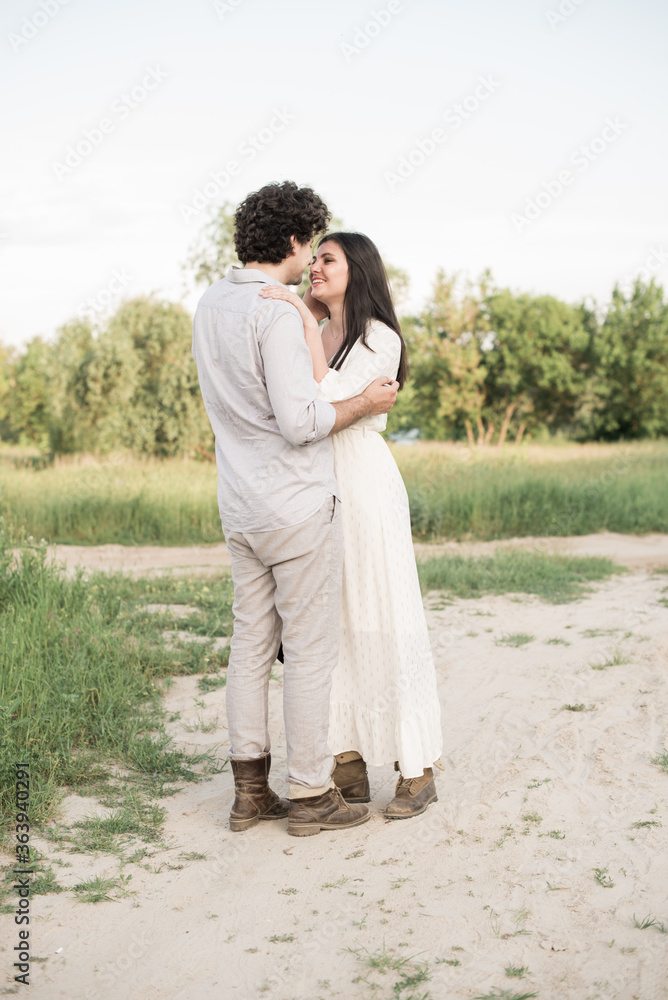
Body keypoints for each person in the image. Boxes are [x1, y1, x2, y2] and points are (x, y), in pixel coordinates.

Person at [192, 184, 399, 837]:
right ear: (292, 240)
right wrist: (364, 404)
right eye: (310, 242)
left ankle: (250, 791)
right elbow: (303, 420)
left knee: (251, 641)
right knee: (309, 650)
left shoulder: (212, 303)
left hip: (240, 503)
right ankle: (311, 794)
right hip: (295, 505)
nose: (310, 255)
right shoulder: (276, 312)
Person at [260, 232, 443, 819]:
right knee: (330, 622)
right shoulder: (318, 329)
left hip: (364, 484)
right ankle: (347, 759)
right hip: (318, 486)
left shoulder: (378, 337)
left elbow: (326, 401)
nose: (313, 268)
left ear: (356, 269)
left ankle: (416, 768)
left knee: (382, 613)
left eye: (327, 260)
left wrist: (302, 319)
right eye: (312, 260)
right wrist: (309, 320)